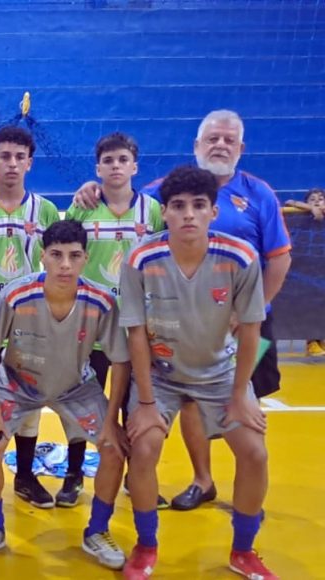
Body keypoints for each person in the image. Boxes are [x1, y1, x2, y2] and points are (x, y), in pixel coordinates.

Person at [73, 110, 291, 512]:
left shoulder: (259, 194)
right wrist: (93, 189)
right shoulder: (163, 192)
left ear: (241, 148)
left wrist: (248, 311)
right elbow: (122, 191)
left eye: (229, 140)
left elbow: (279, 258)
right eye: (212, 139)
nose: (220, 145)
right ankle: (202, 480)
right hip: (174, 324)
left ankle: (244, 510)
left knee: (243, 409)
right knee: (183, 401)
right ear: (196, 145)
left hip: (243, 321)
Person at [118, 165, 275, 579]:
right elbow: (136, 334)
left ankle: (243, 551)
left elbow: (251, 330)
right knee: (144, 448)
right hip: (161, 376)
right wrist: (146, 402)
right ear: (165, 212)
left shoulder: (241, 257)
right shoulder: (140, 258)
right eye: (178, 206)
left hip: (220, 374)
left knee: (255, 453)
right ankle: (145, 546)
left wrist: (240, 394)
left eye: (199, 205)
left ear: (213, 212)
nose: (188, 214)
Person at [0, 219, 130, 569]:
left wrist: (111, 420)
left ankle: (97, 530)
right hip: (17, 385)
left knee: (113, 449)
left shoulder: (102, 301)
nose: (65, 265)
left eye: (74, 256)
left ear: (86, 259)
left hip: (75, 387)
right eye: (56, 255)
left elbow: (120, 362)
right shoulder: (15, 295)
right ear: (42, 256)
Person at [0, 126, 84, 510]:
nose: (12, 164)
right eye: (5, 157)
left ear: (29, 163)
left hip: (30, 326)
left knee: (29, 406)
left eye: (19, 157)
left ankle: (25, 476)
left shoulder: (45, 211)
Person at [65, 133, 168, 508]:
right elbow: (65, 257)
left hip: (137, 327)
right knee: (81, 402)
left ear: (135, 166)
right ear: (98, 168)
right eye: (108, 160)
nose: (115, 166)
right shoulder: (83, 207)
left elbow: (163, 262)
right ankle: (73, 474)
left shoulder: (152, 211)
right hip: (91, 324)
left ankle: (133, 477)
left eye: (123, 160)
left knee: (131, 405)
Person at [285, 188, 325, 357]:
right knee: (311, 304)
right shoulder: (300, 217)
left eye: (320, 198)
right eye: (312, 199)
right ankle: (312, 342)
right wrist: (311, 208)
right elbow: (289, 203)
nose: (317, 201)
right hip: (308, 270)